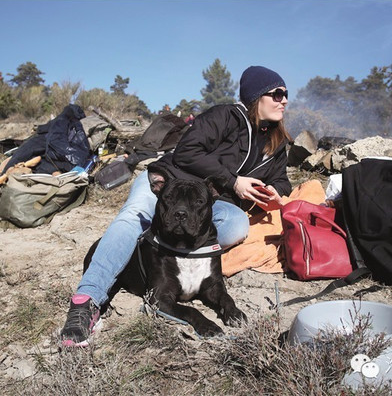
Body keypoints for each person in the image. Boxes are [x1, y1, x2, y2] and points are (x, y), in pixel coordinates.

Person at [60, 65, 292, 347]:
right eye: (276, 93)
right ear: (256, 96)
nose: (284, 100)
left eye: (285, 94)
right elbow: (186, 151)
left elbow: (282, 181)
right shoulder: (226, 116)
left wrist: (275, 193)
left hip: (208, 203)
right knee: (135, 217)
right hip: (169, 186)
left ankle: (178, 263)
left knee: (236, 225)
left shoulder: (277, 142)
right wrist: (233, 182)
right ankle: (87, 301)